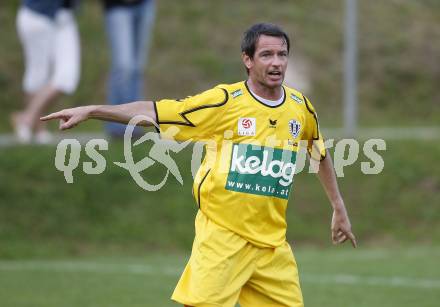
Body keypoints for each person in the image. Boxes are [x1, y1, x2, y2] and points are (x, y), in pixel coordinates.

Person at [41, 23, 356, 307]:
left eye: (282, 54)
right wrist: (95, 110)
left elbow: (319, 152)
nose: (276, 62)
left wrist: (338, 206)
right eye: (266, 55)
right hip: (223, 239)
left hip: (273, 247)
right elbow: (155, 112)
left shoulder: (300, 108)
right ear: (248, 60)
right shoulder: (225, 102)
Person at [12, 0, 81, 144]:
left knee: (67, 78)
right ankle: (38, 129)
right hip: (37, 14)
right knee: (38, 74)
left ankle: (26, 118)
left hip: (64, 16)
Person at [101, 0, 156, 137]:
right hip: (118, 6)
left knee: (137, 68)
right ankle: (117, 125)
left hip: (144, 5)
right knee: (124, 66)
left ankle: (135, 122)